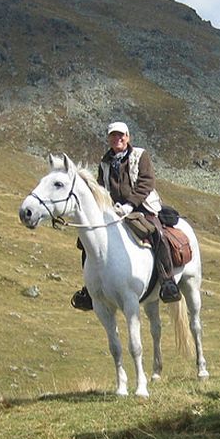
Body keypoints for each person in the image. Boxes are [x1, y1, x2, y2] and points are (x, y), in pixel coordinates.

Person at [71, 121, 181, 310]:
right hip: (114, 210)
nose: (118, 138)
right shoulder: (104, 162)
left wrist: (130, 204)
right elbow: (99, 188)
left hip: (143, 207)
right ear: (109, 139)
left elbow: (146, 182)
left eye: (121, 135)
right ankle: (90, 289)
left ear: (128, 137)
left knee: (157, 233)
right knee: (87, 242)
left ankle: (167, 281)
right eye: (113, 135)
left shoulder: (140, 155)